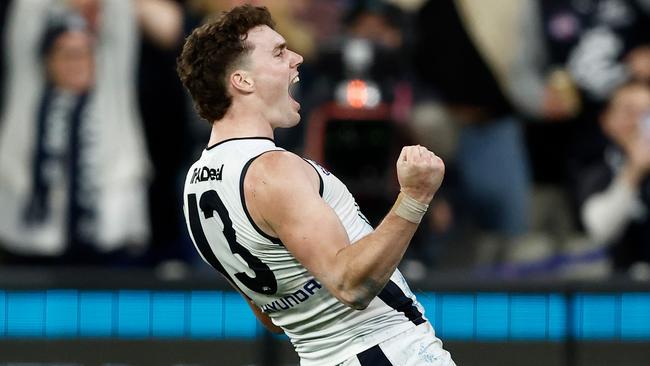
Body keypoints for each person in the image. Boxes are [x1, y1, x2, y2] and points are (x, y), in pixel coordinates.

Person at [177, 5, 453, 365]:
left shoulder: (194, 186)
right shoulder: (273, 170)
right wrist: (415, 197)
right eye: (278, 52)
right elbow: (350, 285)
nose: (297, 58)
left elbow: (270, 315)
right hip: (385, 351)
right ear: (242, 81)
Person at [578, 81, 650, 272]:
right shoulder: (598, 168)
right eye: (629, 112)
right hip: (622, 287)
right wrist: (634, 171)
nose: (639, 122)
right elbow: (599, 229)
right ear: (607, 120)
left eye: (646, 113)